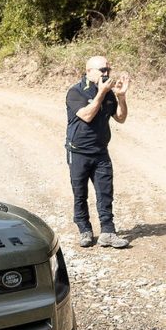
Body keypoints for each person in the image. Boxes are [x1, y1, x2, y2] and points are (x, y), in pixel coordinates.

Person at [64, 53, 131, 247]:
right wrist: (101, 93)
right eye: (103, 70)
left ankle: (108, 232)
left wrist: (121, 96)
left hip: (101, 151)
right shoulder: (76, 92)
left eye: (108, 69)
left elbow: (120, 118)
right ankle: (84, 230)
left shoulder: (109, 92)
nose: (107, 73)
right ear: (89, 71)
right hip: (78, 151)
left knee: (105, 193)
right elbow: (86, 115)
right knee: (80, 193)